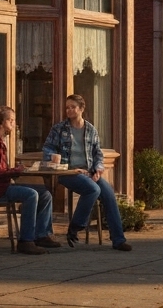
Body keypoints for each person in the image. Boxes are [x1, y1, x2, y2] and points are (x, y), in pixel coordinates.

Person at [43, 94, 132, 251]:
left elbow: (98, 153)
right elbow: (47, 147)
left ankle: (118, 239)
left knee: (109, 195)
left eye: (73, 107)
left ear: (81, 109)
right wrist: (52, 156)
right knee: (93, 189)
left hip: (89, 172)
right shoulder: (59, 129)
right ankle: (76, 227)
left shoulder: (91, 129)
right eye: (67, 107)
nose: (69, 110)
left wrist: (98, 168)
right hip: (69, 173)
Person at [0, 105, 59, 255]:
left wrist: (16, 170)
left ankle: (41, 234)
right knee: (31, 194)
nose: (13, 124)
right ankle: (26, 241)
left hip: (1, 185)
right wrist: (16, 170)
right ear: (1, 122)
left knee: (45, 194)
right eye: (11, 120)